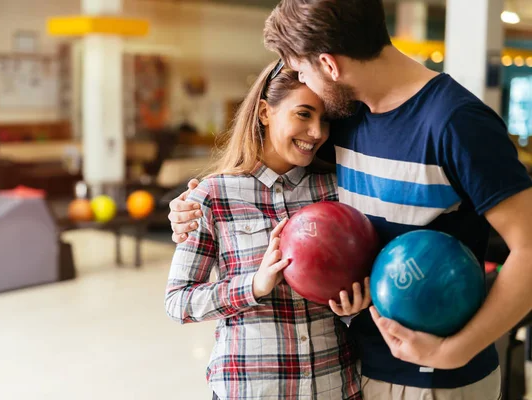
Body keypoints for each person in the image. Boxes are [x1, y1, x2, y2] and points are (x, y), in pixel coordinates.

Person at [167, 0, 532, 399]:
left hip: (436, 382)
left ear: (329, 64)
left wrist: (453, 352)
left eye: (302, 69)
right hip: (355, 373)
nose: (315, 124)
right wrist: (190, 208)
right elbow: (270, 168)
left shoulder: (458, 123)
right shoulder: (345, 118)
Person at [164, 60, 369, 400]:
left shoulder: (338, 190)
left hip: (334, 385)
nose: (317, 132)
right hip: (251, 389)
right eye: (303, 114)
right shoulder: (213, 195)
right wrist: (253, 286)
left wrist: (356, 306)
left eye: (324, 120)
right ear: (264, 112)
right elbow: (178, 302)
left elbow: (361, 274)